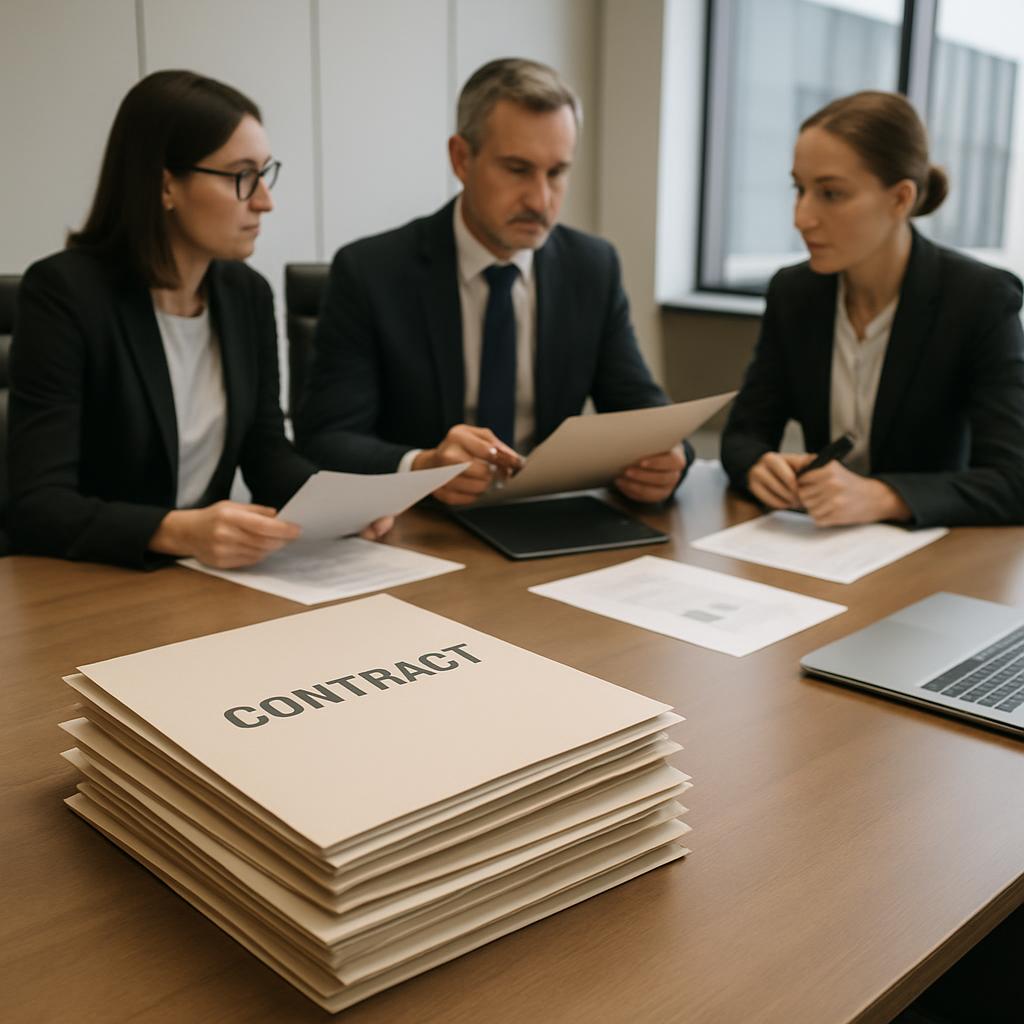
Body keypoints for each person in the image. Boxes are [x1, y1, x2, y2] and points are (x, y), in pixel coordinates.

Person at [6, 70, 390, 569]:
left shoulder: (247, 293)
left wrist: (342, 506)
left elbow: (266, 452)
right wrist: (178, 531)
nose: (265, 201)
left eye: (265, 173)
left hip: (205, 579)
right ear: (166, 185)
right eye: (242, 176)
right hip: (94, 580)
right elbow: (37, 505)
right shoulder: (64, 294)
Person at [295, 57, 691, 507]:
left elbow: (642, 410)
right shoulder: (372, 271)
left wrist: (670, 459)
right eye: (518, 169)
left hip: (543, 522)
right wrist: (422, 466)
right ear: (462, 159)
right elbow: (325, 438)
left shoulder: (592, 267)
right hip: (418, 530)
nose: (541, 199)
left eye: (557, 173)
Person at [720, 90, 1024, 528]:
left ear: (901, 199)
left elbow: (1013, 480)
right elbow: (743, 434)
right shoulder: (794, 292)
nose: (802, 217)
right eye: (799, 189)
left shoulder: (979, 298)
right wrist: (758, 465)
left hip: (935, 562)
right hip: (820, 552)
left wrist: (885, 497)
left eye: (830, 193)